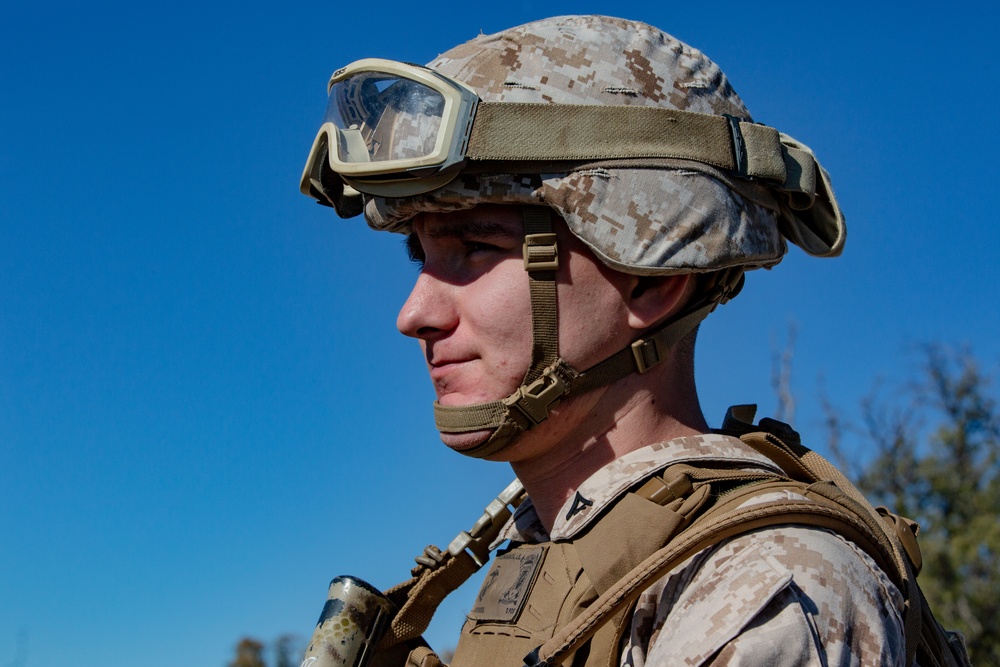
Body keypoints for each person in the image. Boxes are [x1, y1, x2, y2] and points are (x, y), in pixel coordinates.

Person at [299, 15, 915, 667]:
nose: (414, 312)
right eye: (417, 254)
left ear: (652, 276)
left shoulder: (766, 587)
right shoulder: (561, 555)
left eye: (476, 247)